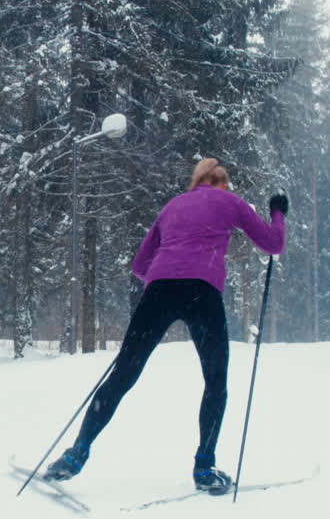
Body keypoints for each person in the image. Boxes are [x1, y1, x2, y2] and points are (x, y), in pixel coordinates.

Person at [43, 157, 288, 494]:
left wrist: (168, 272)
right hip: (203, 292)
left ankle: (75, 455)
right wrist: (278, 211)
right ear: (222, 183)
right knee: (215, 382)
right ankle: (204, 467)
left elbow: (140, 264)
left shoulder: (172, 206)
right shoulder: (231, 202)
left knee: (122, 375)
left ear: (196, 181)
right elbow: (273, 244)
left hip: (159, 292)